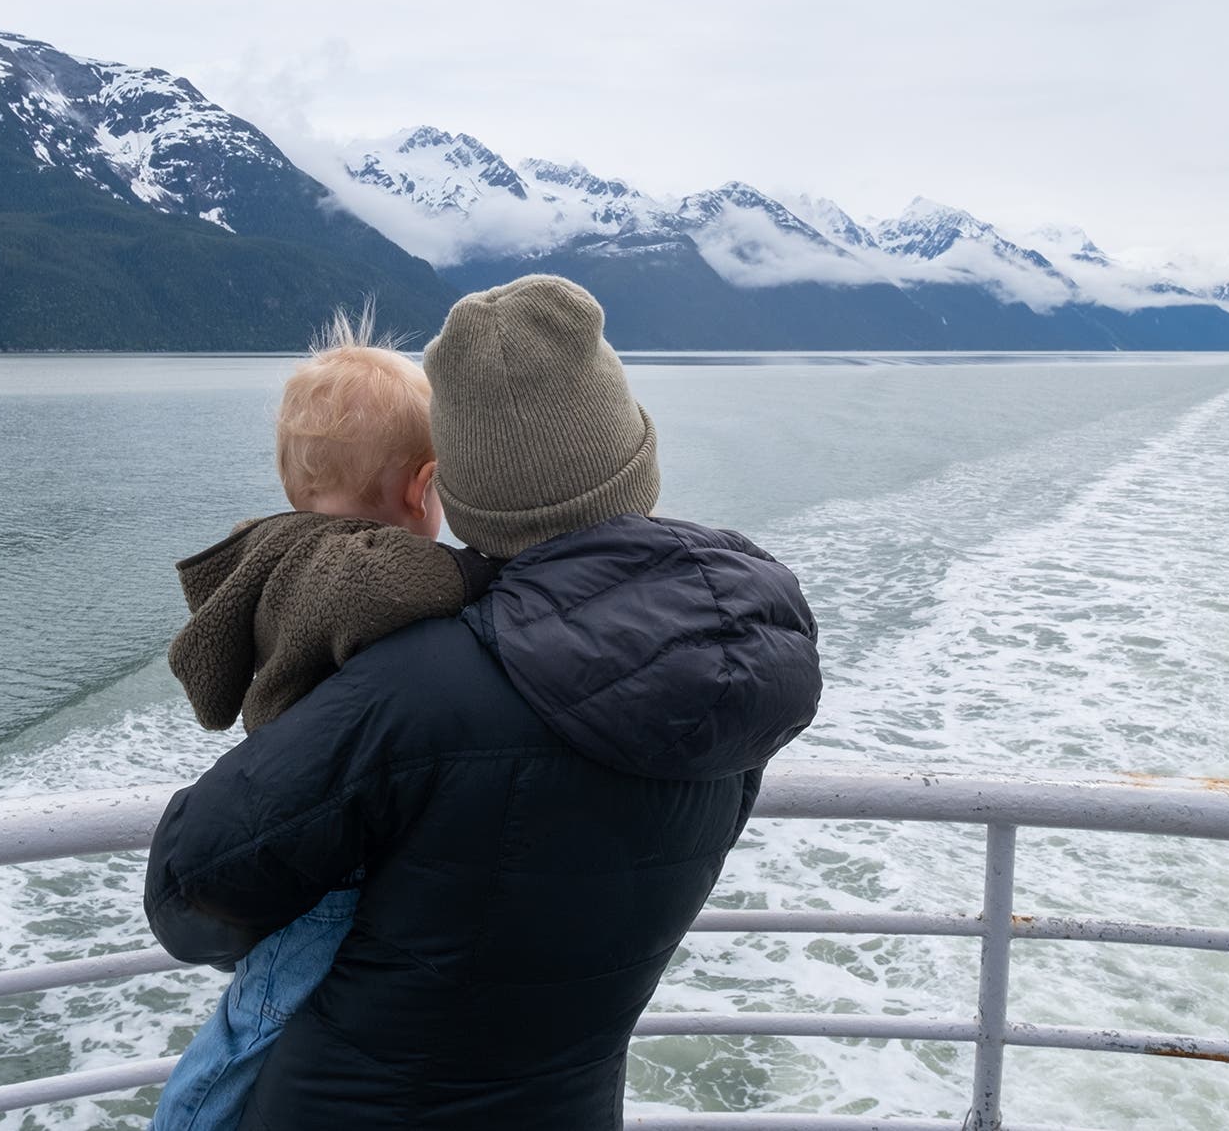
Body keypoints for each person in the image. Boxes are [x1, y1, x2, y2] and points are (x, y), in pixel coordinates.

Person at [145, 274, 823, 1130]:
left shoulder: (418, 685)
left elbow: (189, 892)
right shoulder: (738, 659)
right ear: (633, 459)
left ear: (455, 488)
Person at [150, 308, 496, 1131]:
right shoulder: (350, 570)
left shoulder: (286, 551)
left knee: (267, 1012)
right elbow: (406, 586)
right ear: (421, 487)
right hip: (329, 857)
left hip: (304, 818)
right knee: (257, 1022)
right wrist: (498, 572)